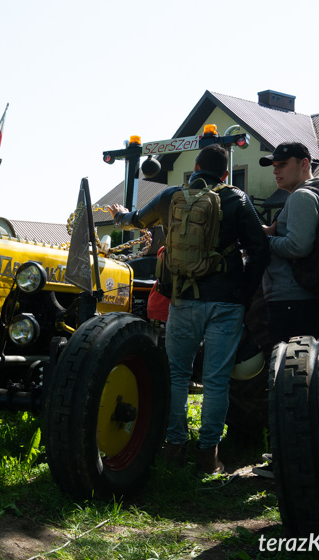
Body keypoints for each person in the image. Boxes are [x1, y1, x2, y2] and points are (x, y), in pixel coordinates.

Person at [109, 144, 269, 473]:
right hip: (226, 302)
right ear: (224, 173)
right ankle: (208, 454)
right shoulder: (236, 197)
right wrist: (244, 292)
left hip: (183, 300)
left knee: (177, 375)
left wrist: (121, 214)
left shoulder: (171, 196)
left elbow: (137, 221)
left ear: (195, 166)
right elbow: (260, 248)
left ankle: (174, 447)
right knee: (216, 379)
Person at [259, 142, 319, 344]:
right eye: (274, 166)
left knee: (288, 368)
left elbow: (298, 246)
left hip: (291, 298)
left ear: (304, 163)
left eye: (283, 164)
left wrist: (265, 241)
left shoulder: (301, 196)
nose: (276, 171)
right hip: (307, 296)